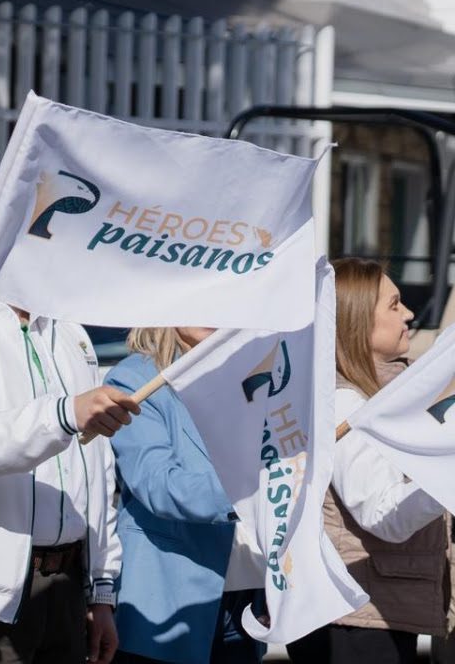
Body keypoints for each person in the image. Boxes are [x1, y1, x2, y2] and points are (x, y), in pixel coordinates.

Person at [0, 168, 139, 664]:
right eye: (44, 223)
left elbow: (98, 470)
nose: (56, 237)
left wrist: (100, 593)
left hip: (69, 588)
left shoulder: (68, 328)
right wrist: (66, 413)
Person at [285, 258, 447, 664]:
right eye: (394, 305)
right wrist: (446, 472)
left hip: (377, 610)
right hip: (354, 620)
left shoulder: (374, 394)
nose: (408, 313)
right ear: (357, 321)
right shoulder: (343, 401)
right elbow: (382, 513)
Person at [106, 327, 265, 664]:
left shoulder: (248, 377)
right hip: (168, 595)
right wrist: (246, 490)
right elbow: (157, 484)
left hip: (247, 597)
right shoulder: (135, 378)